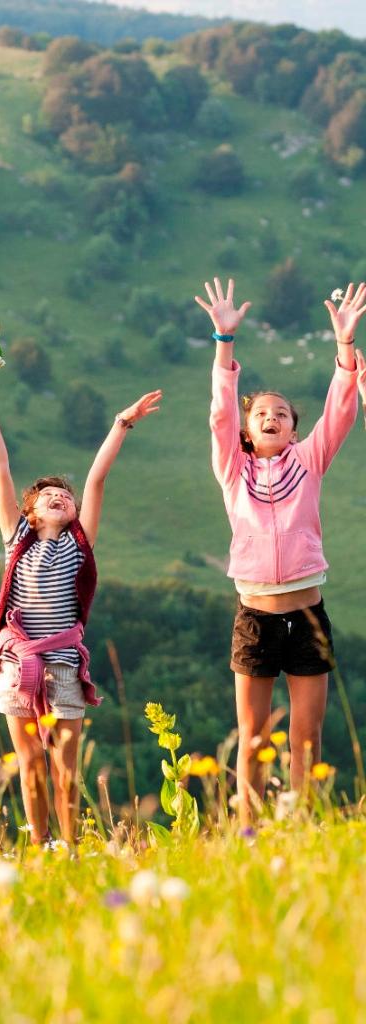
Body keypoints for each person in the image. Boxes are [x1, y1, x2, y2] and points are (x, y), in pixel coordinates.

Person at [195, 277, 362, 825]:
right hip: (255, 618)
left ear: (294, 431)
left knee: (306, 736)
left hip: (307, 616)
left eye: (283, 415)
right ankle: (247, 827)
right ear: (246, 431)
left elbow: (339, 413)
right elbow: (220, 415)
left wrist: (344, 348)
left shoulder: (309, 461)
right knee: (254, 736)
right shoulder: (233, 469)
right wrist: (224, 342)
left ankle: (301, 825)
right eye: (261, 413)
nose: (271, 417)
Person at [0, 379, 162, 845]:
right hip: (17, 665)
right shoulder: (18, 539)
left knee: (64, 768)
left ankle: (71, 846)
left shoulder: (80, 544)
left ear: (75, 512)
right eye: (47, 495)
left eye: (65, 496)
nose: (59, 496)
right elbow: (0, 470)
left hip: (65, 666)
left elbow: (96, 478)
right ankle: (39, 846)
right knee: (31, 764)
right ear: (28, 511)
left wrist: (122, 423)